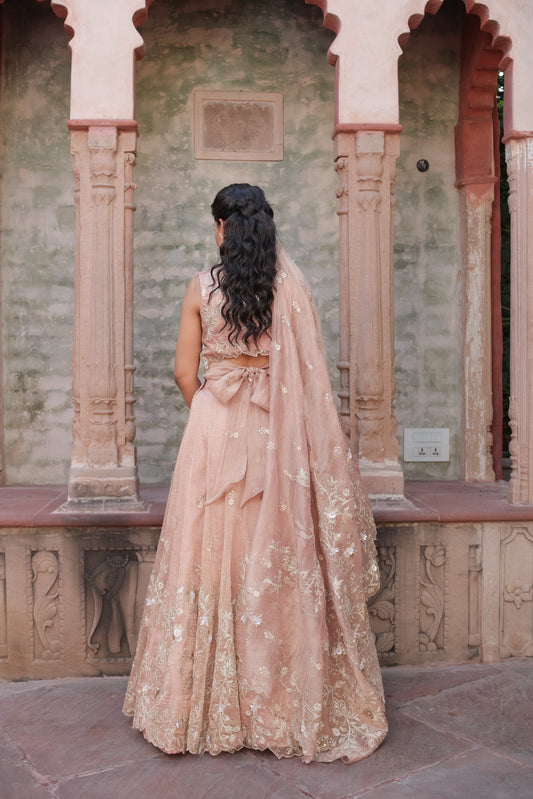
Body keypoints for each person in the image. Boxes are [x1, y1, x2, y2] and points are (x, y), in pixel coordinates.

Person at [123, 183, 387, 763]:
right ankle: (276, 700)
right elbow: (311, 375)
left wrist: (211, 415)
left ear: (220, 228)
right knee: (270, 558)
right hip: (277, 430)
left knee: (207, 557)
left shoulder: (202, 287)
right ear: (265, 227)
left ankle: (201, 703)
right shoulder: (287, 288)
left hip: (213, 428)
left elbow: (181, 372)